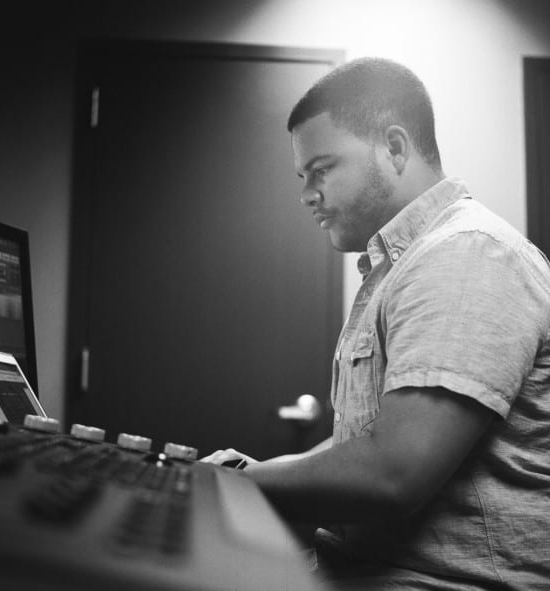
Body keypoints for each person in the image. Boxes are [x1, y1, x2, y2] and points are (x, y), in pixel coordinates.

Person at [202, 57, 550, 590]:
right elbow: (368, 439)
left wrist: (235, 483)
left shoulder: (467, 254)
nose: (307, 195)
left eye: (322, 169)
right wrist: (254, 470)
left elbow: (395, 470)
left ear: (393, 147)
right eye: (303, 177)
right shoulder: (406, 265)